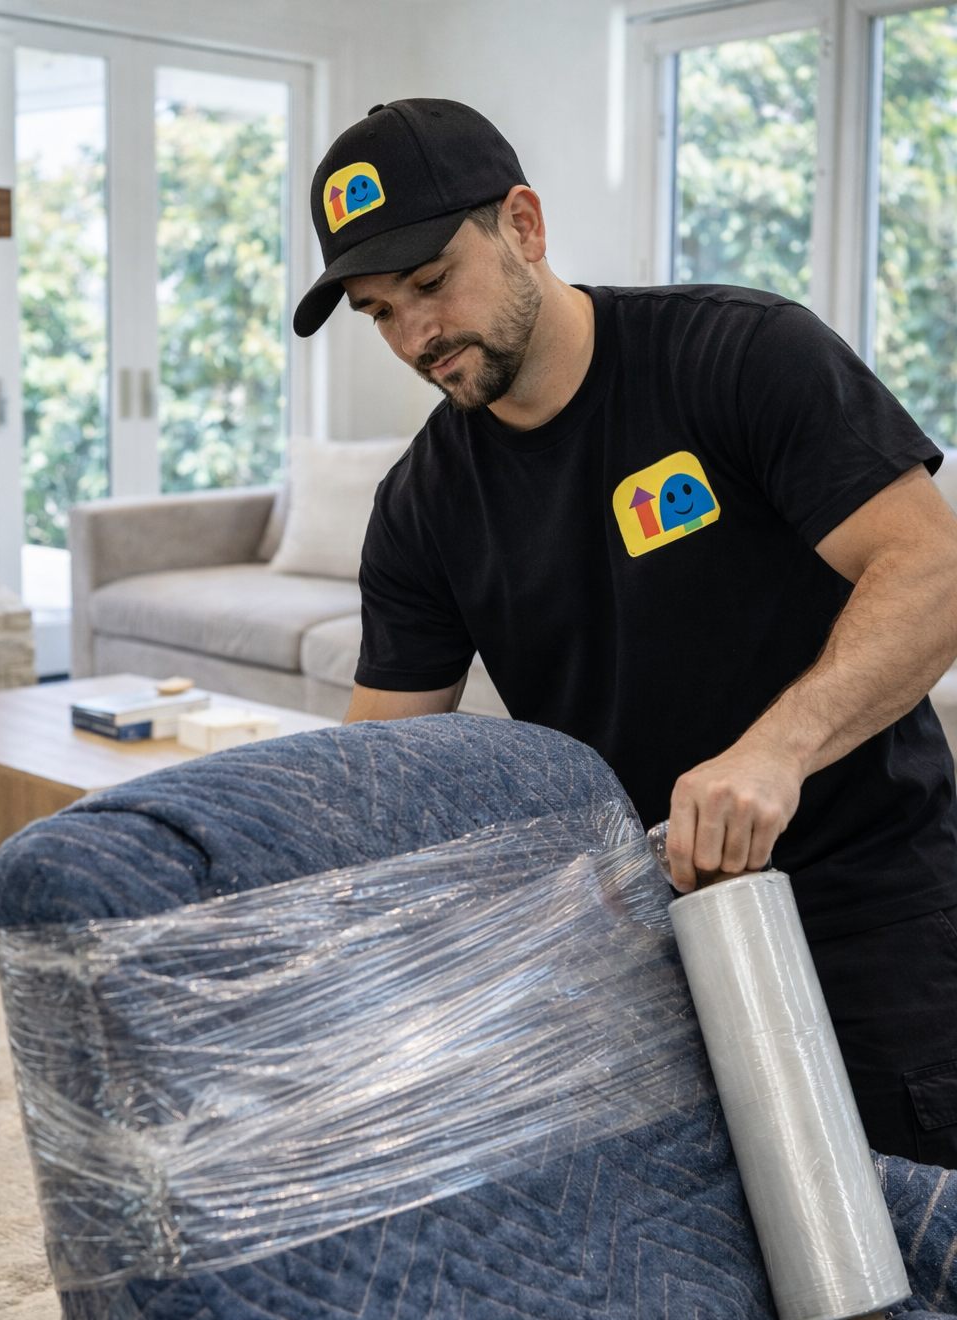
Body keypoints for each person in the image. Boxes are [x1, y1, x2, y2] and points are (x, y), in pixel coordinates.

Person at [293, 98, 957, 1165]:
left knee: (920, 1253)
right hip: (637, 939)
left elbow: (933, 567)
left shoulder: (739, 355)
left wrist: (774, 752)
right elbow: (377, 774)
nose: (416, 335)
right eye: (378, 311)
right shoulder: (422, 504)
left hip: (864, 907)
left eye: (428, 283)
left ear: (522, 224)